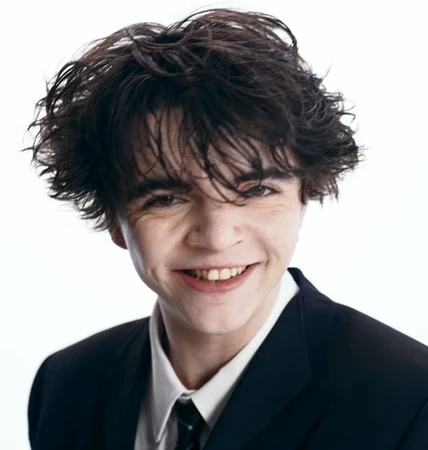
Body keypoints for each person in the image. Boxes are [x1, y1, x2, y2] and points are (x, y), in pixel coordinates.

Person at [24, 8, 428, 450]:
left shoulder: (408, 400)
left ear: (304, 198)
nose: (217, 237)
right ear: (113, 219)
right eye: (166, 199)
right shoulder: (66, 386)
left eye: (256, 190)